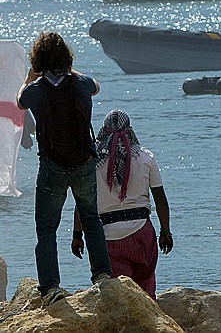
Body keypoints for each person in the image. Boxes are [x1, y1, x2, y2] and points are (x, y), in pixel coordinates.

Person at [17, 32, 111, 306]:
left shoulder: (35, 90)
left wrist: (31, 74)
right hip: (83, 163)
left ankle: (51, 288)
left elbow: (20, 100)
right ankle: (102, 275)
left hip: (53, 166)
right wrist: (70, 69)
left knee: (46, 228)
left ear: (38, 61)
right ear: (67, 60)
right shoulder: (80, 84)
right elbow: (97, 87)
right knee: (91, 220)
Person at [71, 109, 173, 300]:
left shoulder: (91, 162)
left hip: (109, 237)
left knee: (119, 298)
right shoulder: (146, 157)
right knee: (146, 291)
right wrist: (165, 232)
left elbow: (82, 203)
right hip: (143, 233)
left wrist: (77, 235)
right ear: (130, 130)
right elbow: (160, 199)